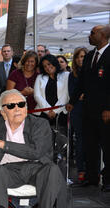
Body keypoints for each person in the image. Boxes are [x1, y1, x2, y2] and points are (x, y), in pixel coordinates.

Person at [67, 25, 110, 192]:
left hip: (105, 111)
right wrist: (72, 100)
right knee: (89, 145)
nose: (89, 36)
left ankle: (108, 180)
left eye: (92, 33)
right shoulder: (90, 55)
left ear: (102, 35)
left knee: (107, 146)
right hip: (88, 109)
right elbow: (82, 83)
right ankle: (92, 177)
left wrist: (108, 108)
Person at [34, 54, 69, 133]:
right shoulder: (40, 77)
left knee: (60, 140)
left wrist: (55, 111)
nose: (47, 67)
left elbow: (65, 95)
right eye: (45, 66)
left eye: (49, 64)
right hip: (42, 113)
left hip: (60, 113)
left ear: (54, 63)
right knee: (42, 138)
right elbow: (37, 95)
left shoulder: (66, 75)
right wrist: (48, 110)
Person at [68, 47, 88, 184]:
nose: (81, 59)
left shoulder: (91, 72)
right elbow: (73, 93)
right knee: (80, 140)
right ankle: (81, 170)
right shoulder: (72, 75)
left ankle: (93, 170)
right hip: (77, 111)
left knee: (93, 142)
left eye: (83, 56)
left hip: (90, 110)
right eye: (78, 56)